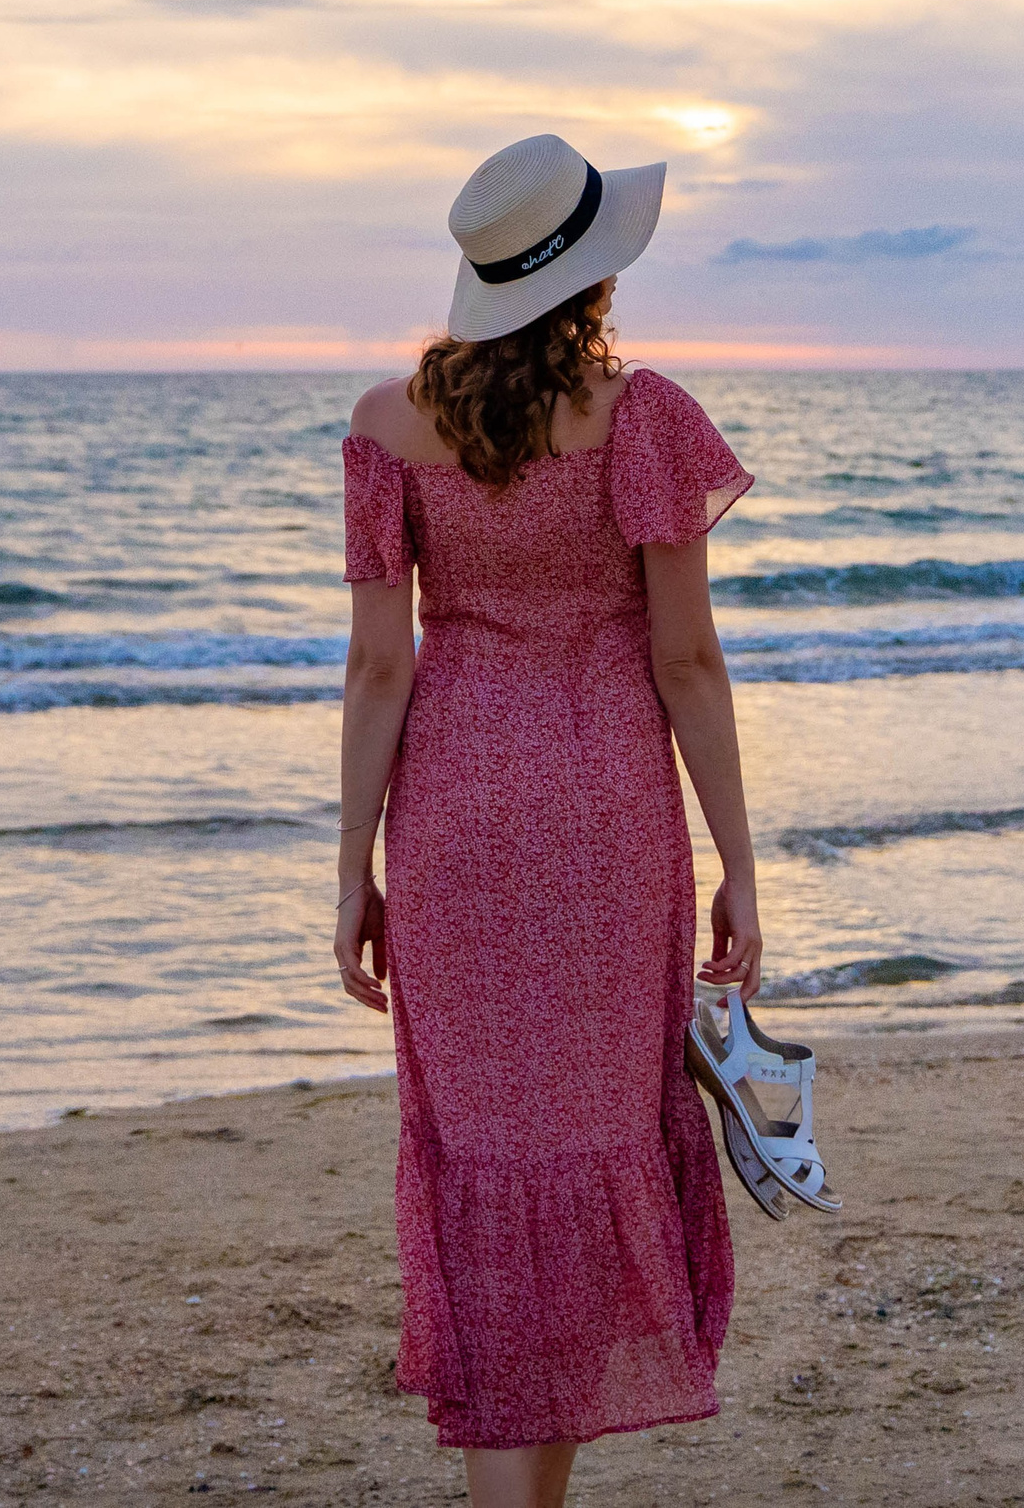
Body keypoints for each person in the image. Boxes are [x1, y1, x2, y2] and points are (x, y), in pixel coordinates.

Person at [331, 133, 761, 1508]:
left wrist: (352, 867)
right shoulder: (643, 422)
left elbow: (378, 664)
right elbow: (686, 660)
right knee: (589, 1143)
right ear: (593, 276)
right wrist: (742, 864)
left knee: (486, 1161)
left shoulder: (389, 425)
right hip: (605, 822)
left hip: (453, 818)